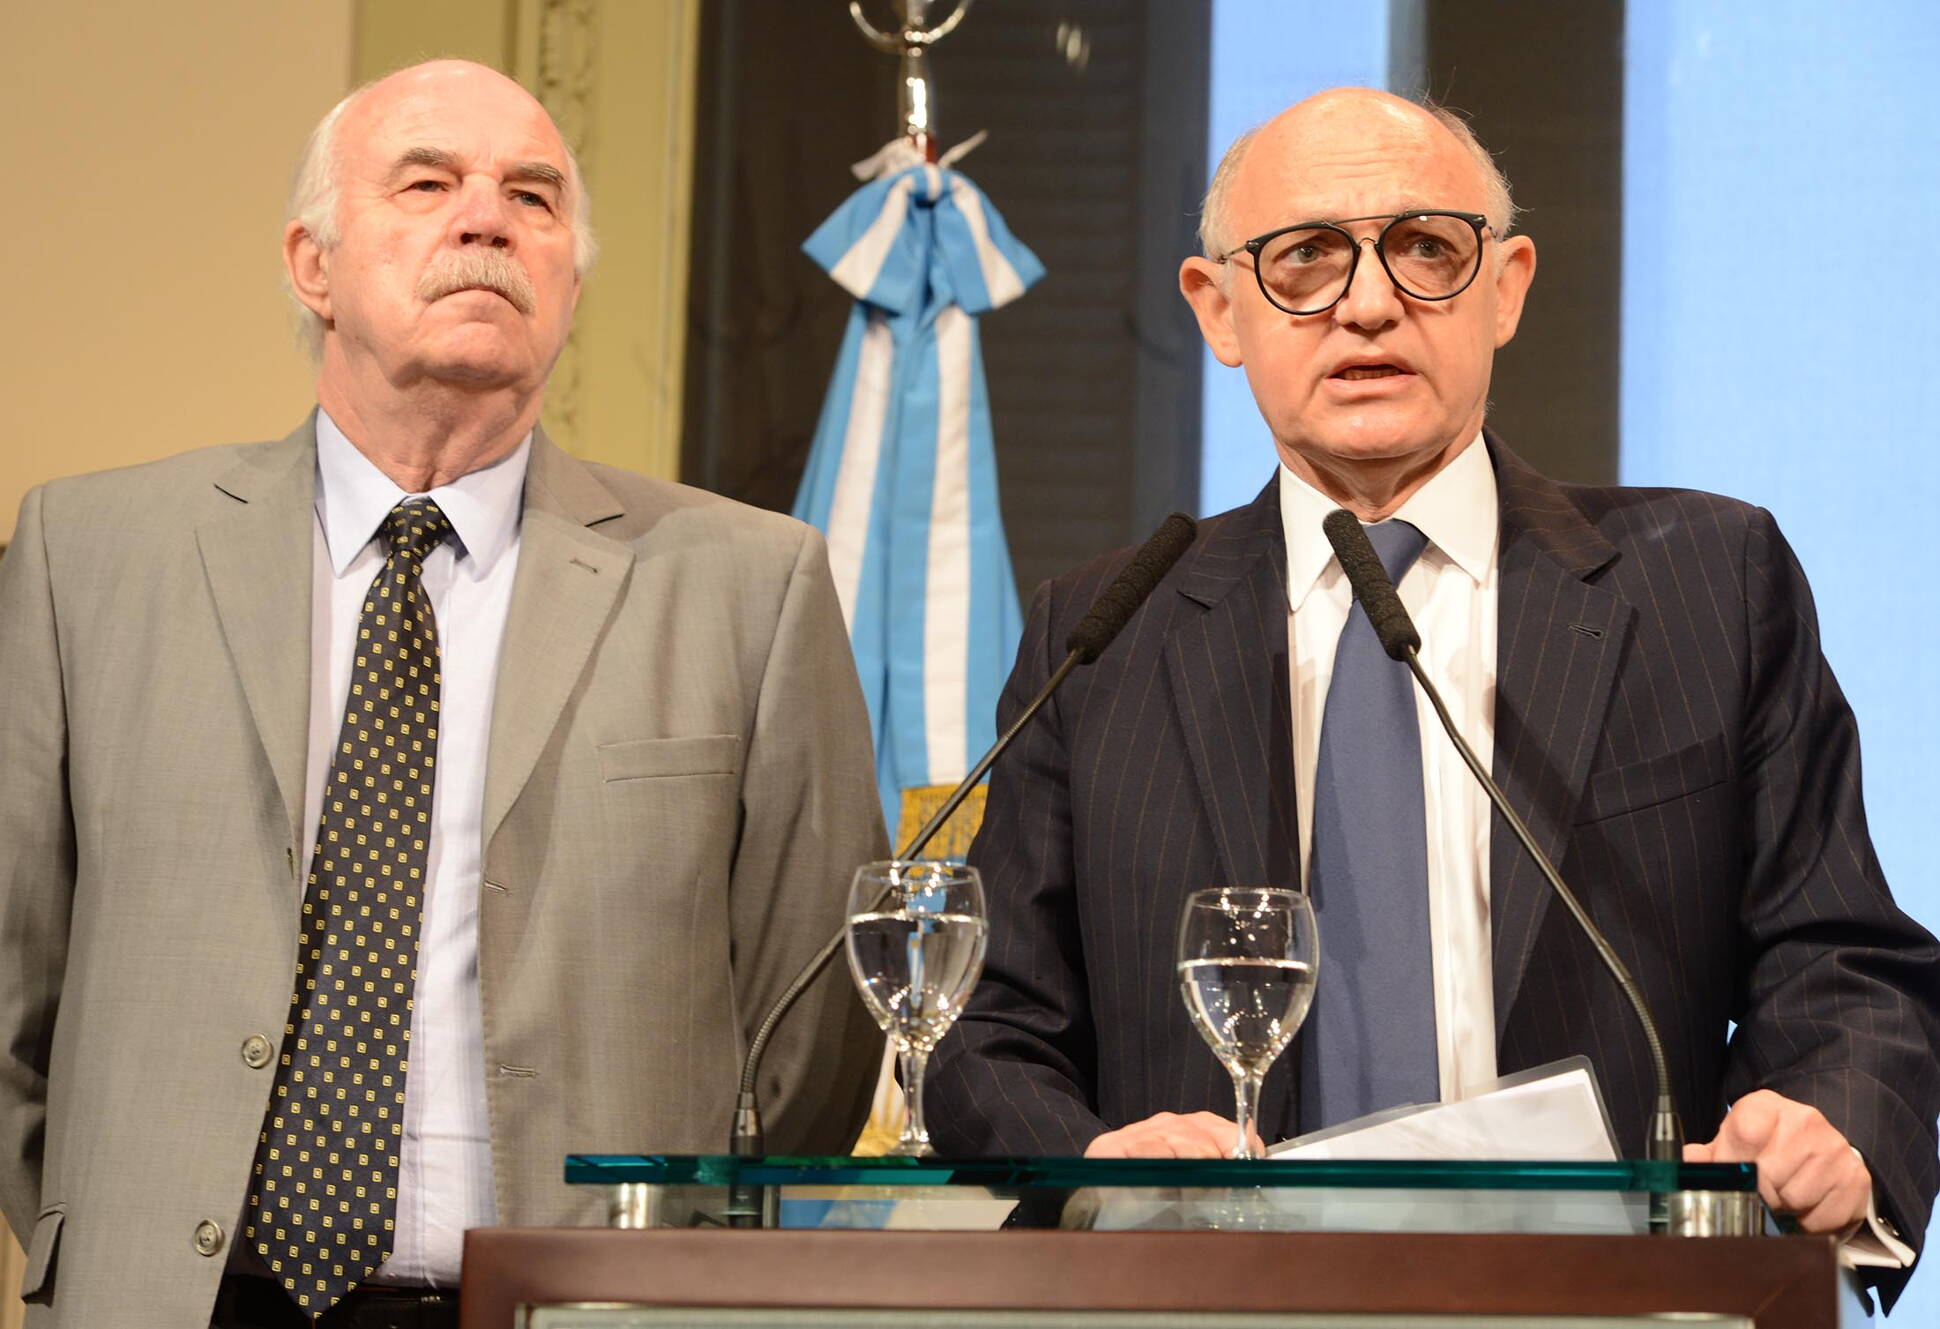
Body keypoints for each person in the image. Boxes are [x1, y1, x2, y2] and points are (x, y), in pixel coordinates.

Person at [927, 88, 1940, 1308]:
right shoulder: (1102, 635)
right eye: (1302, 257)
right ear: (1217, 310)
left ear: (1504, 286)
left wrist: (1825, 1120)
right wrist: (1092, 1166)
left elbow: (1841, 958)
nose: (1365, 303)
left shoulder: (1708, 583)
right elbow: (987, 1028)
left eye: (1424, 250)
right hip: (1202, 1300)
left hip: (1611, 1309)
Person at [0, 60, 884, 1328]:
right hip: (186, 1300)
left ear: (569, 283)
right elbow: (13, 986)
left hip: (581, 1304)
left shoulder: (749, 585)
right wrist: (115, 1229)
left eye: (532, 196)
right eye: (427, 182)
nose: (487, 218)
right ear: (312, 264)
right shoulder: (90, 557)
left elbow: (814, 1025)